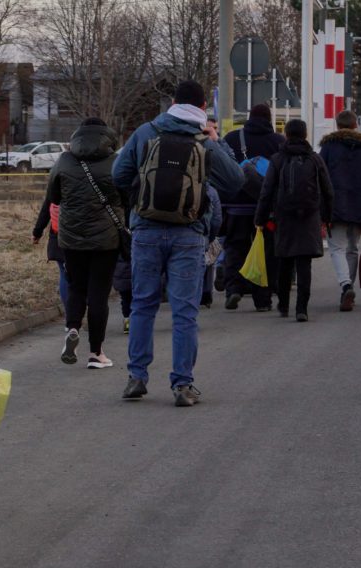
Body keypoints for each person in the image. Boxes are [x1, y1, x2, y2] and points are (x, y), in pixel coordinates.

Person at [112, 80, 244, 407]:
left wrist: (141, 193)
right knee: (185, 311)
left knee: (143, 303)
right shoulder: (203, 139)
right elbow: (236, 181)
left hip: (145, 231)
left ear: (172, 101)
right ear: (202, 108)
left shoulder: (146, 131)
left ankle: (137, 377)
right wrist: (217, 142)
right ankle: (182, 385)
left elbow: (117, 174)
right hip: (189, 233)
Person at [39, 117, 126, 369]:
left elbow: (53, 196)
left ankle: (72, 327)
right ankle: (96, 353)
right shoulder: (115, 162)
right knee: (98, 294)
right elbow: (127, 196)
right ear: (107, 136)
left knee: (76, 286)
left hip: (71, 238)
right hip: (106, 239)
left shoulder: (65, 160)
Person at [254, 119, 334, 322]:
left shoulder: (278, 159)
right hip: (309, 217)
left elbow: (267, 191)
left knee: (285, 262)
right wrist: (327, 217)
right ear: (306, 135)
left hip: (284, 216)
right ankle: (301, 309)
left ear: (286, 135)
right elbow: (328, 191)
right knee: (304, 264)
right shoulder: (315, 159)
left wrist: (260, 218)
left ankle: (283, 305)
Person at [221, 104, 286, 312]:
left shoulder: (231, 139)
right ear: (269, 119)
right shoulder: (278, 142)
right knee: (265, 253)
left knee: (234, 248)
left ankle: (234, 290)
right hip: (266, 209)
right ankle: (263, 299)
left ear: (249, 117)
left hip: (236, 206)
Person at [319, 109, 361, 312]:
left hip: (335, 206)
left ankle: (346, 285)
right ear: (356, 125)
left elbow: (321, 179)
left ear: (337, 125)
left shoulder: (328, 148)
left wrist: (321, 210)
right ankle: (348, 290)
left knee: (336, 248)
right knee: (352, 248)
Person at [32, 201, 70, 315]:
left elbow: (46, 207)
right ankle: (84, 309)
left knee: (64, 275)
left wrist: (37, 232)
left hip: (59, 236)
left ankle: (71, 317)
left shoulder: (57, 184)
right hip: (84, 235)